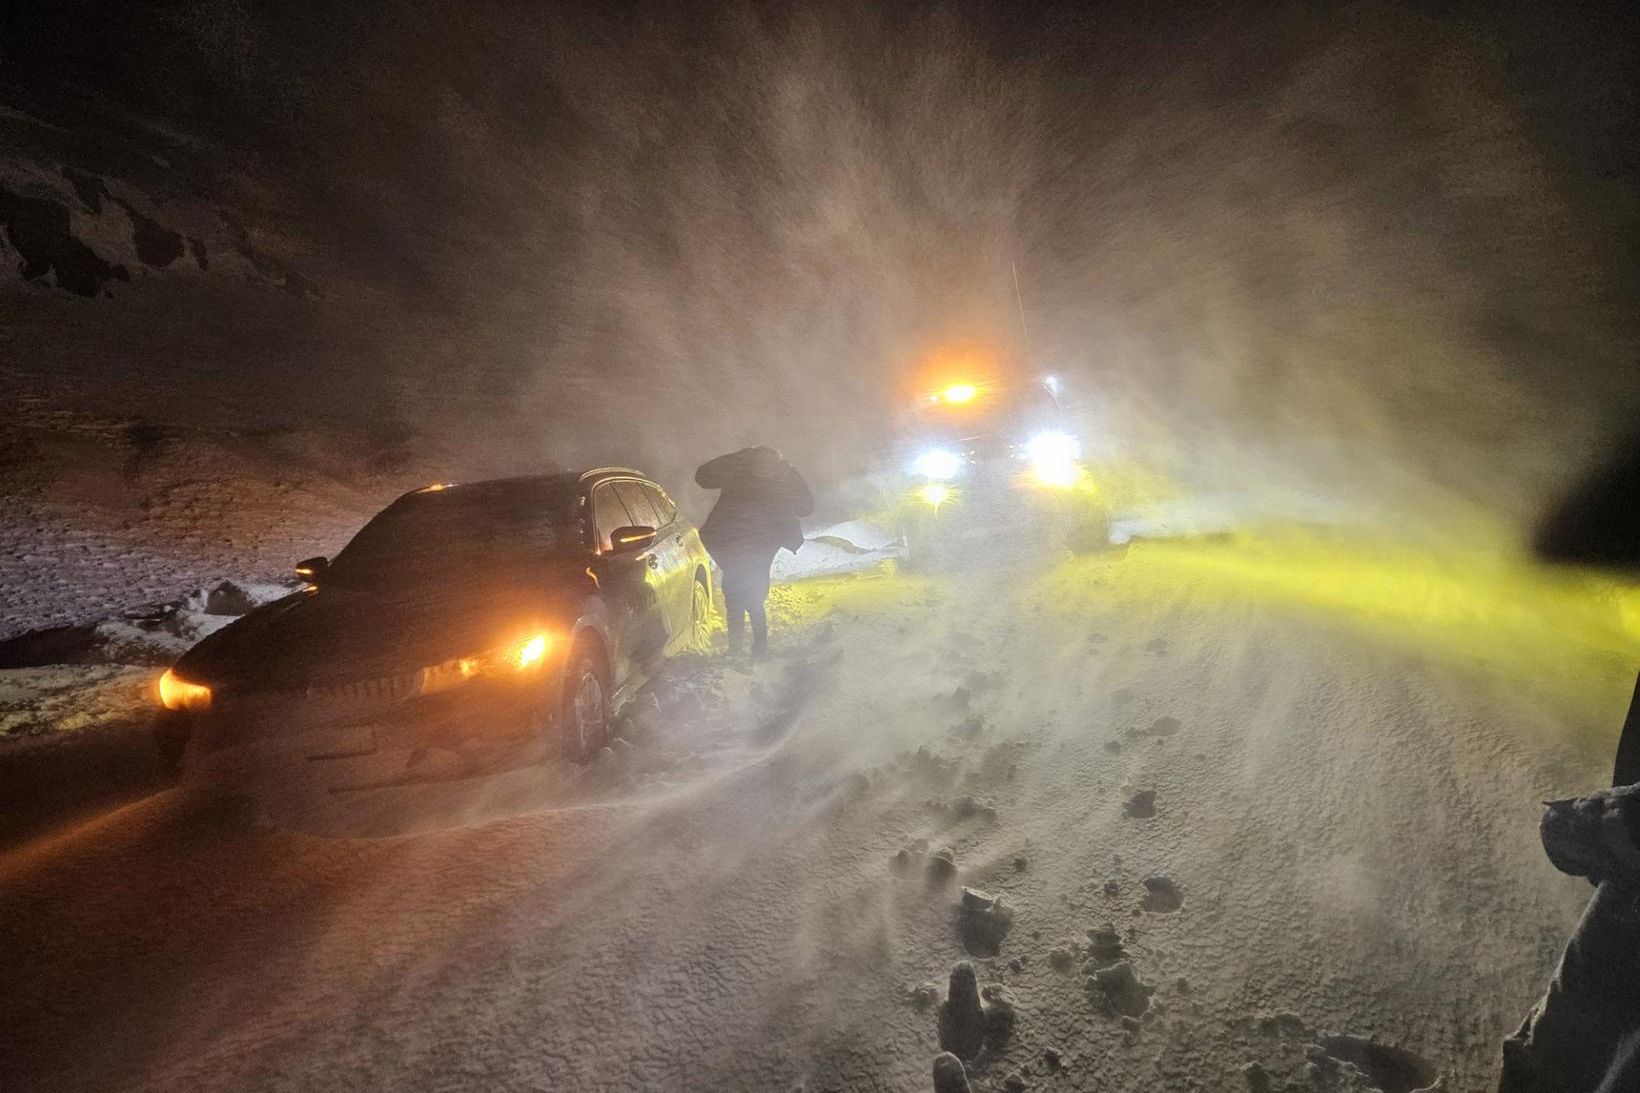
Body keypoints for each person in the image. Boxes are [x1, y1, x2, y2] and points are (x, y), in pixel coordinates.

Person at [695, 446, 813, 658]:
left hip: (738, 541)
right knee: (748, 593)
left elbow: (702, 477)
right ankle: (755, 648)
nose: (763, 468)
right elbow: (805, 507)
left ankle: (741, 648)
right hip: (752, 542)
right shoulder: (751, 472)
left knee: (738, 592)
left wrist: (737, 457)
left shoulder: (744, 471)